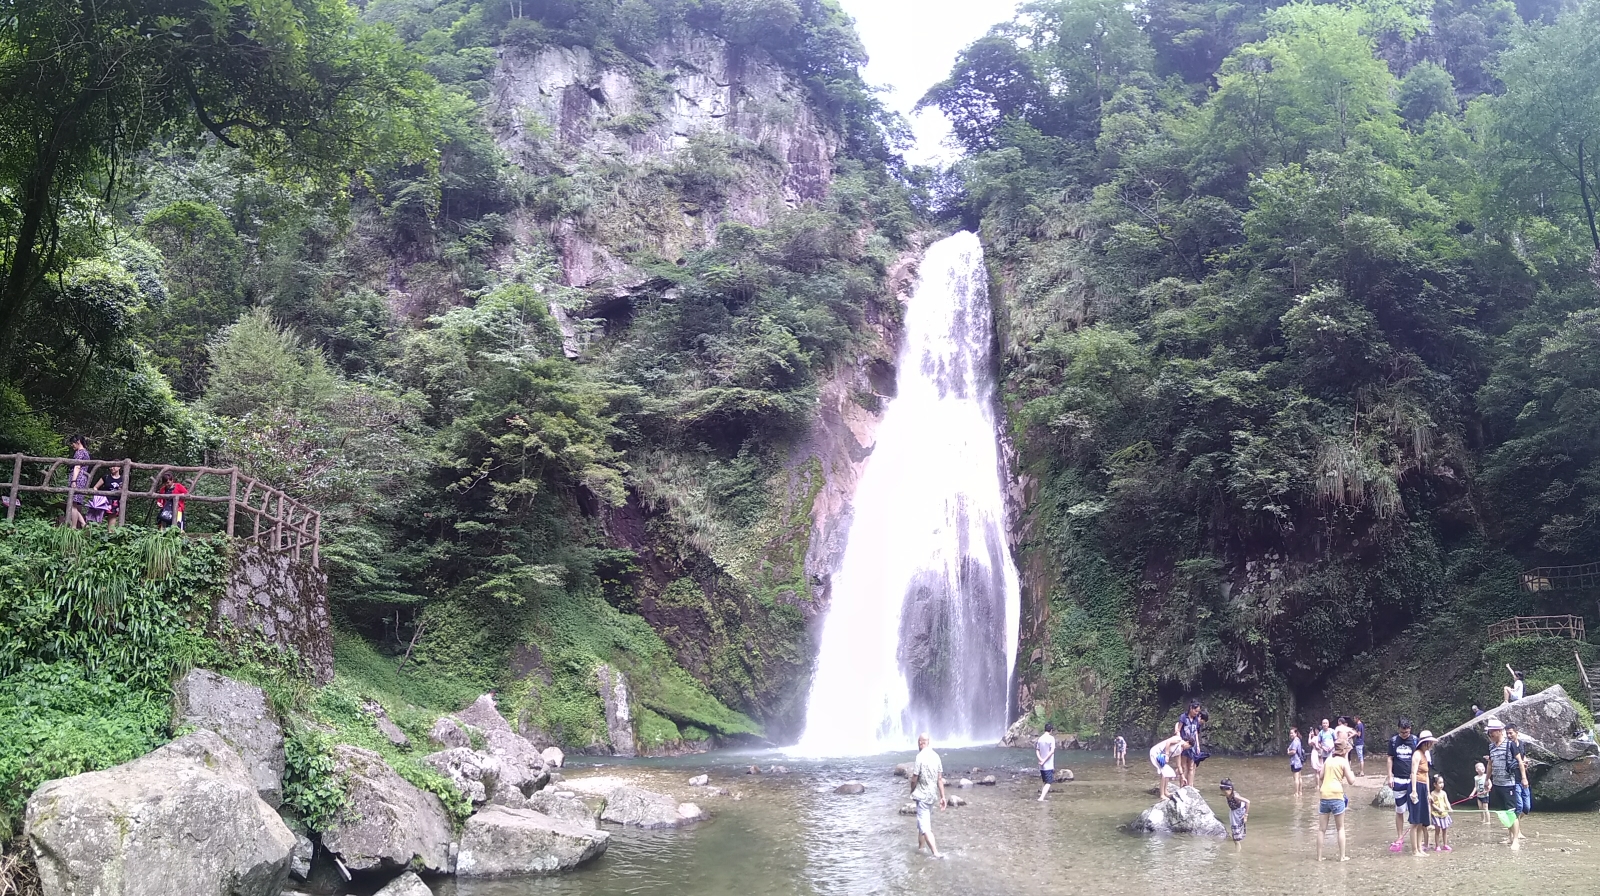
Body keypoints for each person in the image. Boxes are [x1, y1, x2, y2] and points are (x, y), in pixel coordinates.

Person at [907, 733, 947, 858]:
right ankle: (921, 848)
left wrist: (912, 789)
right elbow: (939, 779)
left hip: (922, 796)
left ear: (920, 743)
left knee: (925, 828)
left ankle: (936, 853)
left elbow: (914, 778)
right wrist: (943, 797)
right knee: (921, 824)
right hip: (932, 796)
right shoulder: (936, 756)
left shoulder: (920, 756)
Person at [1486, 718, 1523, 847]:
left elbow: (1520, 761)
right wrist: (1487, 780)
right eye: (1489, 732)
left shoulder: (1510, 744)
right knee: (1504, 813)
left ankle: (1516, 840)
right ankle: (1510, 837)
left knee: (1511, 812)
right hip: (1497, 783)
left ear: (1499, 731)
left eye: (1492, 732)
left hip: (1509, 784)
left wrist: (1523, 778)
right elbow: (1490, 764)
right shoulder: (1491, 746)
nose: (1490, 734)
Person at [1316, 741, 1356, 861]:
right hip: (1337, 795)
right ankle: (1342, 857)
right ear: (1344, 751)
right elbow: (1351, 781)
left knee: (1321, 829)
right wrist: (1351, 772)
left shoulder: (1328, 760)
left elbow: (1321, 776)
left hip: (1324, 795)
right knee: (1340, 828)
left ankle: (1319, 857)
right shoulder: (1343, 762)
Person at [1387, 717, 1419, 852]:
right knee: (1399, 810)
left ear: (1410, 729)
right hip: (1398, 779)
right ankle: (1400, 837)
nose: (1404, 735)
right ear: (1398, 729)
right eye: (1402, 732)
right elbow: (1390, 758)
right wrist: (1390, 776)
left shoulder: (1416, 740)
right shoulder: (1394, 741)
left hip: (1412, 779)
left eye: (1406, 732)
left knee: (1415, 809)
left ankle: (1416, 838)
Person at [1408, 730, 1437, 857]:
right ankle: (1414, 850)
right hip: (1416, 786)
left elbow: (1426, 775)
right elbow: (1413, 772)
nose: (1431, 745)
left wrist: (1428, 792)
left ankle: (1420, 848)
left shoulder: (1425, 755)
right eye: (1430, 742)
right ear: (1425, 743)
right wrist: (1414, 791)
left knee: (1421, 821)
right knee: (1415, 821)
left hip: (1423, 787)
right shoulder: (1417, 754)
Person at [1507, 724, 1532, 821]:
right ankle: (1516, 829)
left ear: (1516, 733)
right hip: (1514, 780)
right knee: (1519, 806)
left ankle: (1515, 824)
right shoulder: (1508, 746)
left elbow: (1523, 756)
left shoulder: (1521, 744)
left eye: (1511, 733)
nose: (1509, 735)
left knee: (1527, 808)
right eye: (1507, 733)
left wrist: (1525, 761)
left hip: (1524, 778)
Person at [65, 434, 91, 528]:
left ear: (78, 442)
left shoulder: (80, 452)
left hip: (78, 478)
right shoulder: (86, 453)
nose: (72, 445)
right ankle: (84, 524)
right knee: (75, 504)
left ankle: (74, 527)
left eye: (73, 443)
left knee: (73, 503)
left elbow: (77, 467)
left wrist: (73, 481)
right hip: (83, 478)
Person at [1176, 702, 1203, 786]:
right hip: (1184, 745)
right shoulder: (1183, 717)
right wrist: (1180, 741)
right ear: (1191, 708)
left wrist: (1197, 746)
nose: (1197, 713)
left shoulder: (1196, 720)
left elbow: (1195, 733)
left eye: (1198, 711)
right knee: (1183, 767)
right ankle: (1182, 786)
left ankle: (1190, 786)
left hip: (1193, 746)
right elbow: (1178, 730)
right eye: (1196, 711)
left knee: (1191, 767)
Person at [1150, 733, 1185, 797]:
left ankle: (1165, 791)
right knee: (1164, 774)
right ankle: (1162, 794)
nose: (1187, 748)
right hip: (1156, 753)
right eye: (1189, 746)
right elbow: (1168, 742)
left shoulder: (1179, 751)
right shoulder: (1179, 740)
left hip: (1162, 756)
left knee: (1167, 773)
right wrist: (1167, 754)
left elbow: (1179, 765)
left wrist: (1183, 777)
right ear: (1187, 742)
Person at [1220, 779, 1249, 852]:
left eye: (1225, 792)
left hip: (1238, 813)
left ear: (1230, 789)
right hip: (1233, 812)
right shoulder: (1227, 794)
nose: (1224, 793)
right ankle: (1235, 841)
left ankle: (1237, 852)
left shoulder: (1235, 796)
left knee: (1236, 837)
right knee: (1234, 832)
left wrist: (1246, 815)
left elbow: (1248, 802)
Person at [1429, 775, 1453, 851]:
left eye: (1442, 782)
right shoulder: (1432, 794)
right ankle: (1437, 846)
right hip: (1436, 815)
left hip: (1444, 814)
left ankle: (1445, 845)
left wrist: (1449, 808)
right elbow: (1432, 804)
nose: (1442, 784)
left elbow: (1447, 802)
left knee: (1445, 830)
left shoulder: (1444, 793)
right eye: (1439, 783)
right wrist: (1438, 809)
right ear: (1435, 784)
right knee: (1437, 831)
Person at [1036, 723, 1057, 801]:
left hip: (1041, 765)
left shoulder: (1040, 738)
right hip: (1048, 765)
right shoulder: (1051, 738)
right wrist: (1044, 761)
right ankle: (1041, 798)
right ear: (1051, 730)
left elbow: (1037, 751)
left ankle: (1042, 795)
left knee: (1045, 781)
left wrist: (1041, 759)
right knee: (1048, 782)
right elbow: (1051, 751)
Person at [1287, 727, 1306, 794]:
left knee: (1296, 778)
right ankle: (1300, 792)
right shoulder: (1298, 740)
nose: (1291, 734)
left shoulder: (1295, 741)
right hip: (1299, 762)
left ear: (1296, 733)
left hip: (1295, 762)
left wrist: (1288, 752)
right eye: (1290, 733)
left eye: (1292, 733)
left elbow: (1294, 751)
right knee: (1299, 777)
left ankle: (1296, 793)